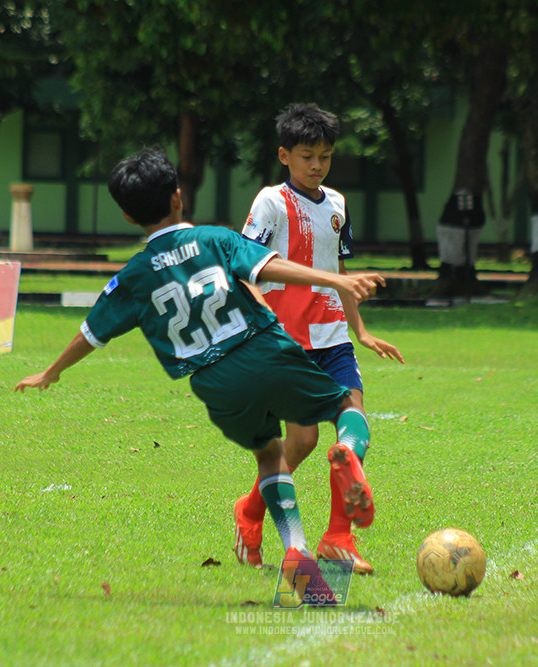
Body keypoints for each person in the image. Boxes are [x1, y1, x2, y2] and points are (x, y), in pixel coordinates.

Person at [15, 146, 386, 585]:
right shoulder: (214, 239)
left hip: (213, 382)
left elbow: (91, 333)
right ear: (178, 197)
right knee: (346, 407)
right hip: (263, 349)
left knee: (270, 454)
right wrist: (337, 278)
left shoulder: (133, 276)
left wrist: (53, 371)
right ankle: (346, 456)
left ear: (129, 218)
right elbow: (275, 268)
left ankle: (296, 548)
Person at [235, 103, 403, 575]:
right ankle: (249, 512)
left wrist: (361, 330)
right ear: (285, 155)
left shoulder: (338, 204)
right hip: (286, 339)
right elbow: (244, 264)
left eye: (325, 156)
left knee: (352, 424)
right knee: (303, 441)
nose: (317, 165)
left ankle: (337, 537)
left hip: (332, 335)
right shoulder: (270, 202)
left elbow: (340, 273)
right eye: (308, 155)